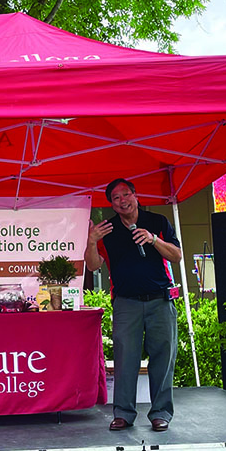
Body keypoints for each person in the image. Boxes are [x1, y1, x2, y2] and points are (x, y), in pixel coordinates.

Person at [85, 178, 183, 432]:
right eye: (115, 198)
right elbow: (94, 265)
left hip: (160, 300)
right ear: (112, 204)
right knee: (125, 358)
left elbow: (177, 255)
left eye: (125, 194)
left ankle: (161, 412)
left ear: (136, 195)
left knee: (163, 357)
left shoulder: (158, 222)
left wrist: (153, 240)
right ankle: (124, 413)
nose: (122, 201)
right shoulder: (108, 229)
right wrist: (92, 241)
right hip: (126, 302)